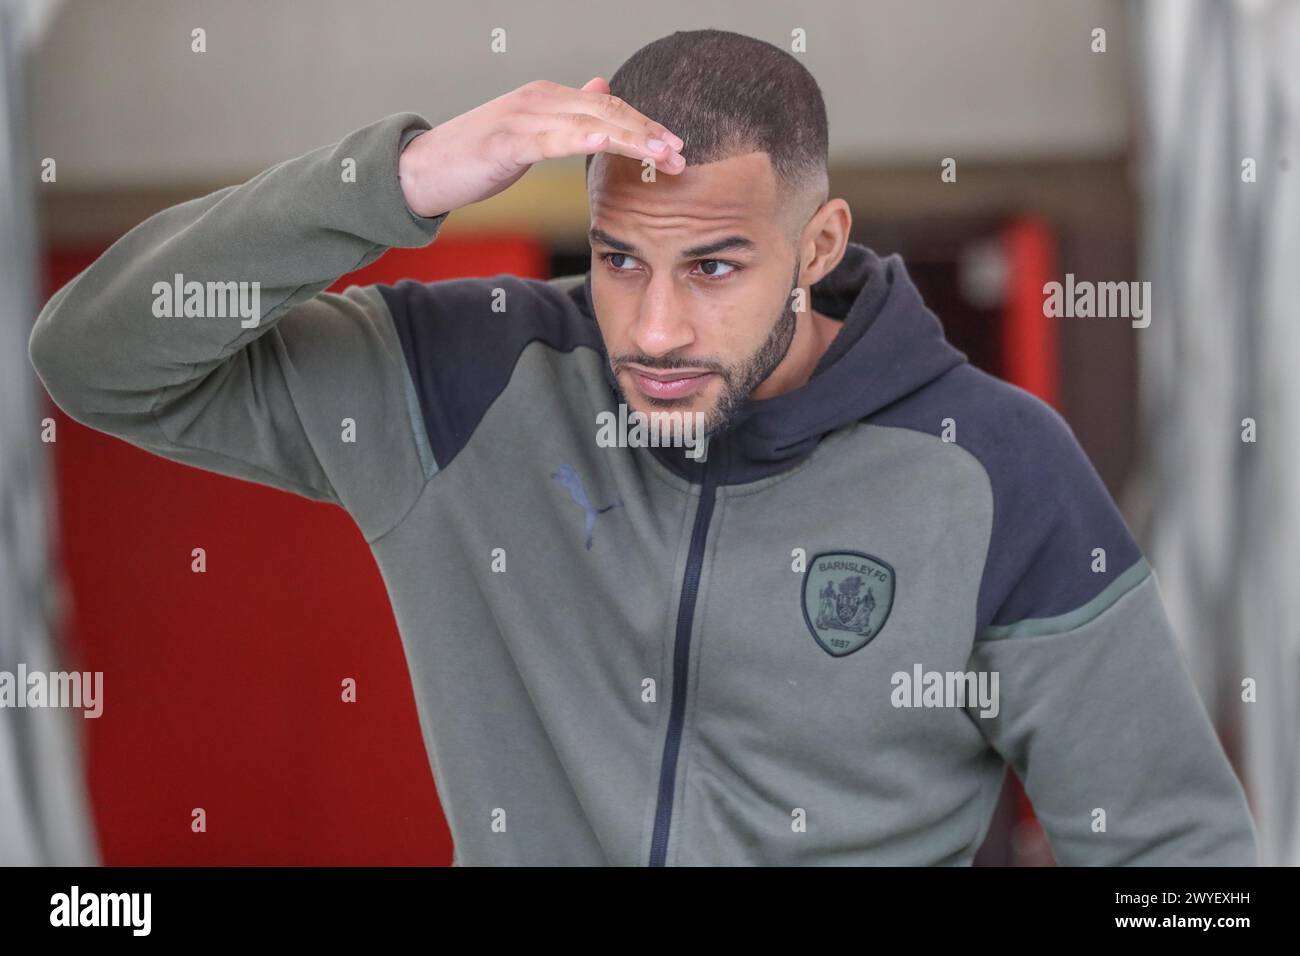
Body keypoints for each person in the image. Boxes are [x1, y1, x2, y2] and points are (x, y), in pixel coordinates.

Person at [28, 28, 1257, 866]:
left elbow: (1180, 861)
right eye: (621, 260)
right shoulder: (465, 384)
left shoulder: (995, 467)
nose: (656, 326)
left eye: (714, 266)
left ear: (819, 243)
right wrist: (397, 177)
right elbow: (95, 356)